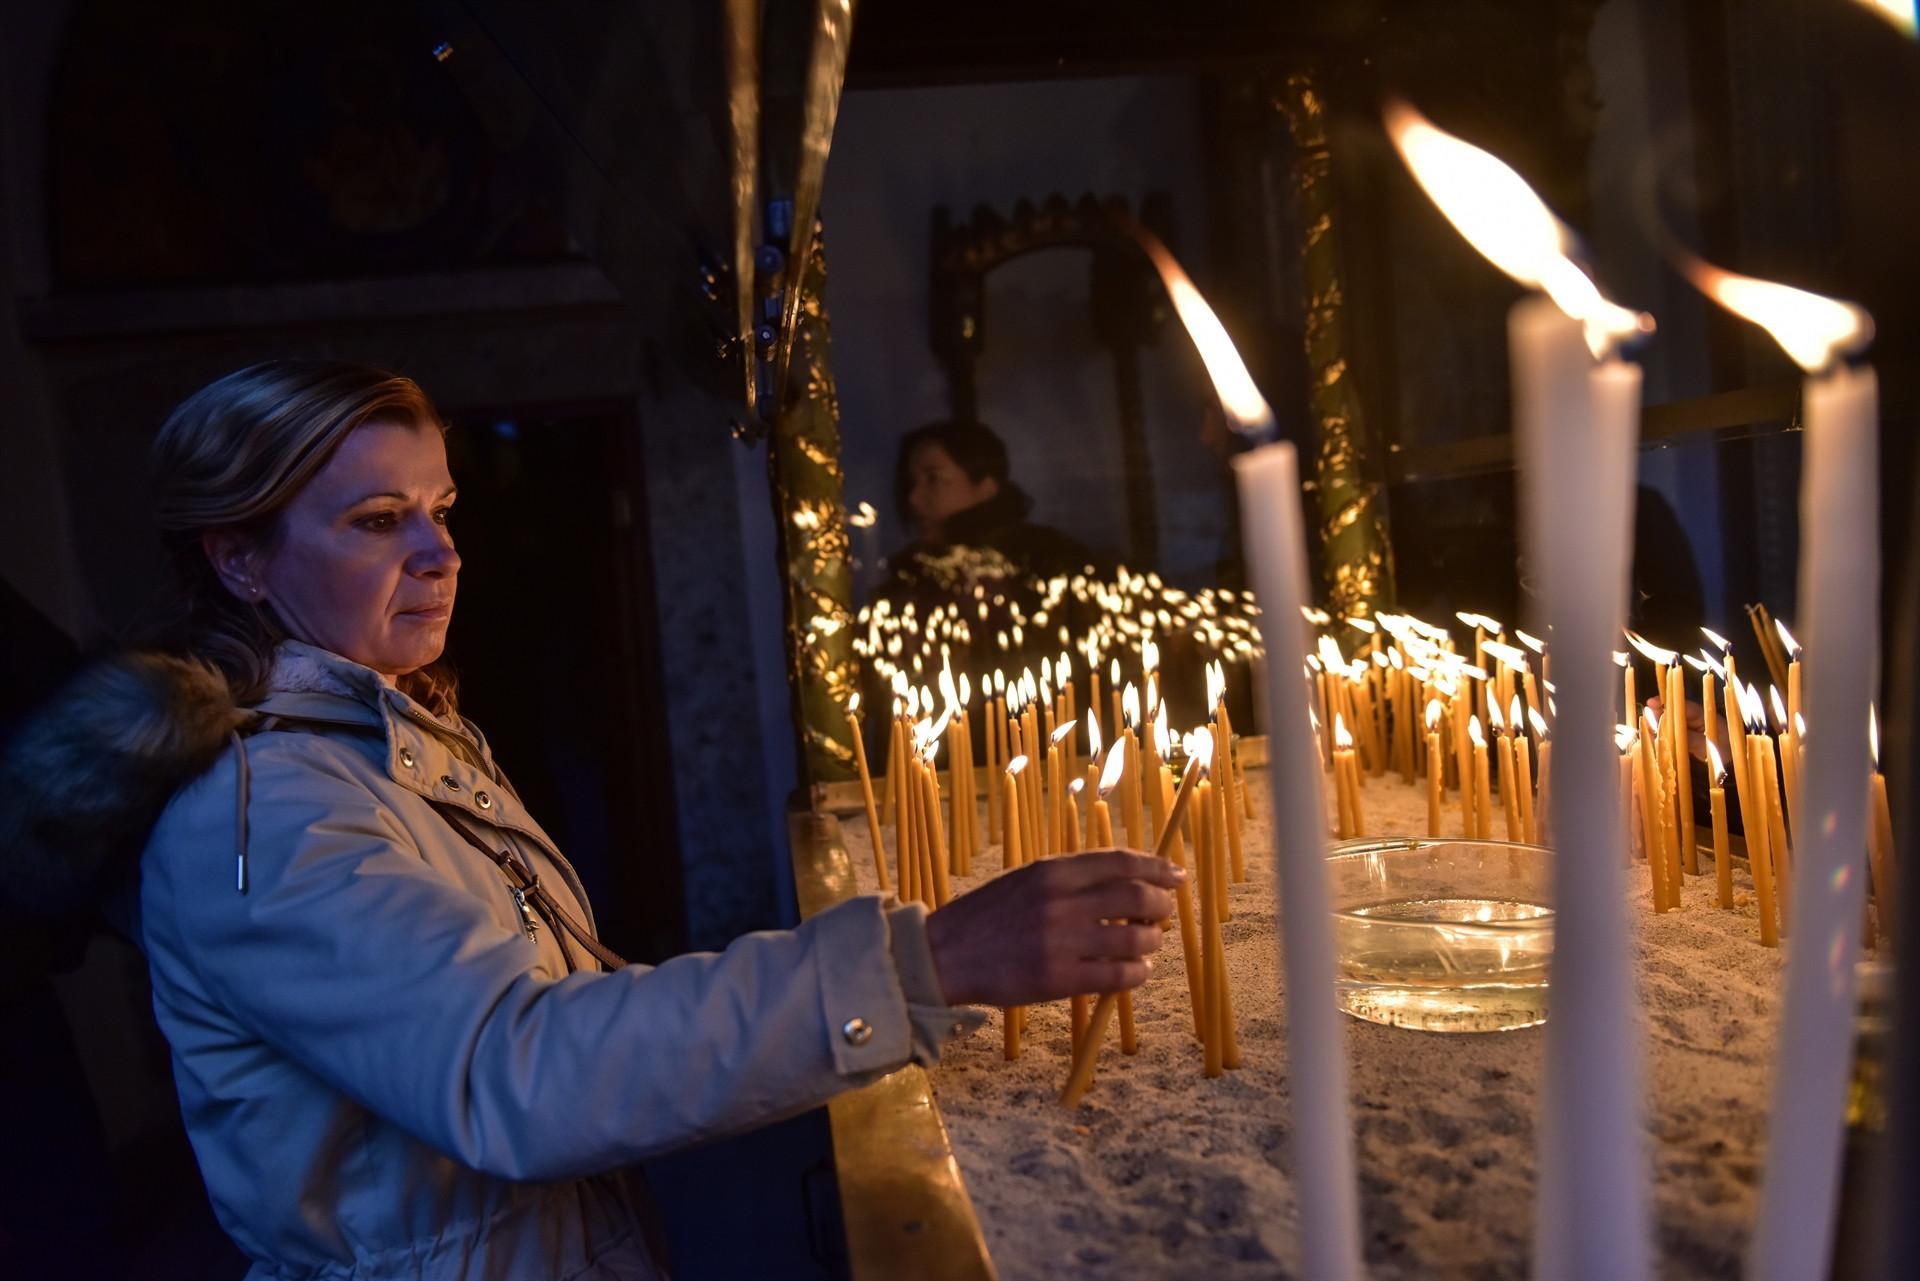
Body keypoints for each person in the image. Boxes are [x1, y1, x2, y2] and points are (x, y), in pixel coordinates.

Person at [0, 361, 1180, 1281]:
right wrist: (924, 963)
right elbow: (514, 1072)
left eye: (441, 507)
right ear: (240, 559)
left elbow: (575, 1009)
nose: (440, 552)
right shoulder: (259, 814)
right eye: (375, 520)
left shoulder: (392, 736)